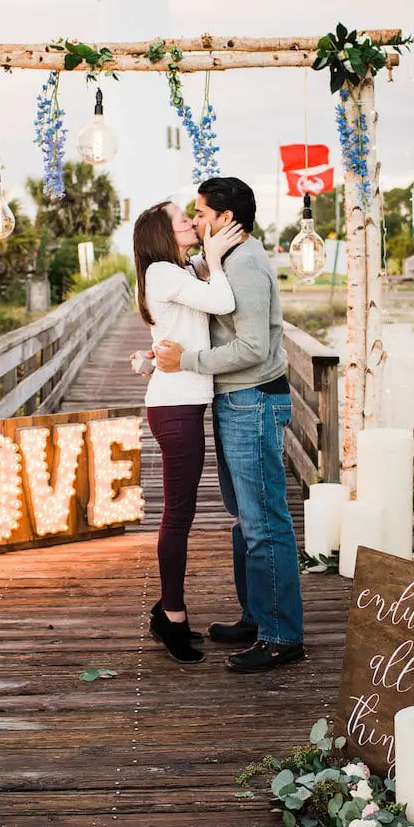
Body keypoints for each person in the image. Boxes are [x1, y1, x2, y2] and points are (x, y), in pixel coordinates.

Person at [154, 177, 305, 674]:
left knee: (265, 522)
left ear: (225, 218)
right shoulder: (228, 261)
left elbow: (254, 349)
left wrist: (188, 361)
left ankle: (281, 635)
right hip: (235, 401)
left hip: (254, 400)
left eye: (201, 213)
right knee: (246, 519)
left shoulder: (246, 265)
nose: (197, 220)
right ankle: (256, 616)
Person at [133, 200, 243, 666]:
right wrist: (216, 261)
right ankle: (172, 616)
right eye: (183, 219)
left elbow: (186, 323)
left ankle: (167, 610)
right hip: (175, 406)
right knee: (178, 516)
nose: (192, 223)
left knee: (182, 513)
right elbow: (224, 301)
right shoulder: (161, 270)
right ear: (162, 232)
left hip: (183, 401)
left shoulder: (176, 270)